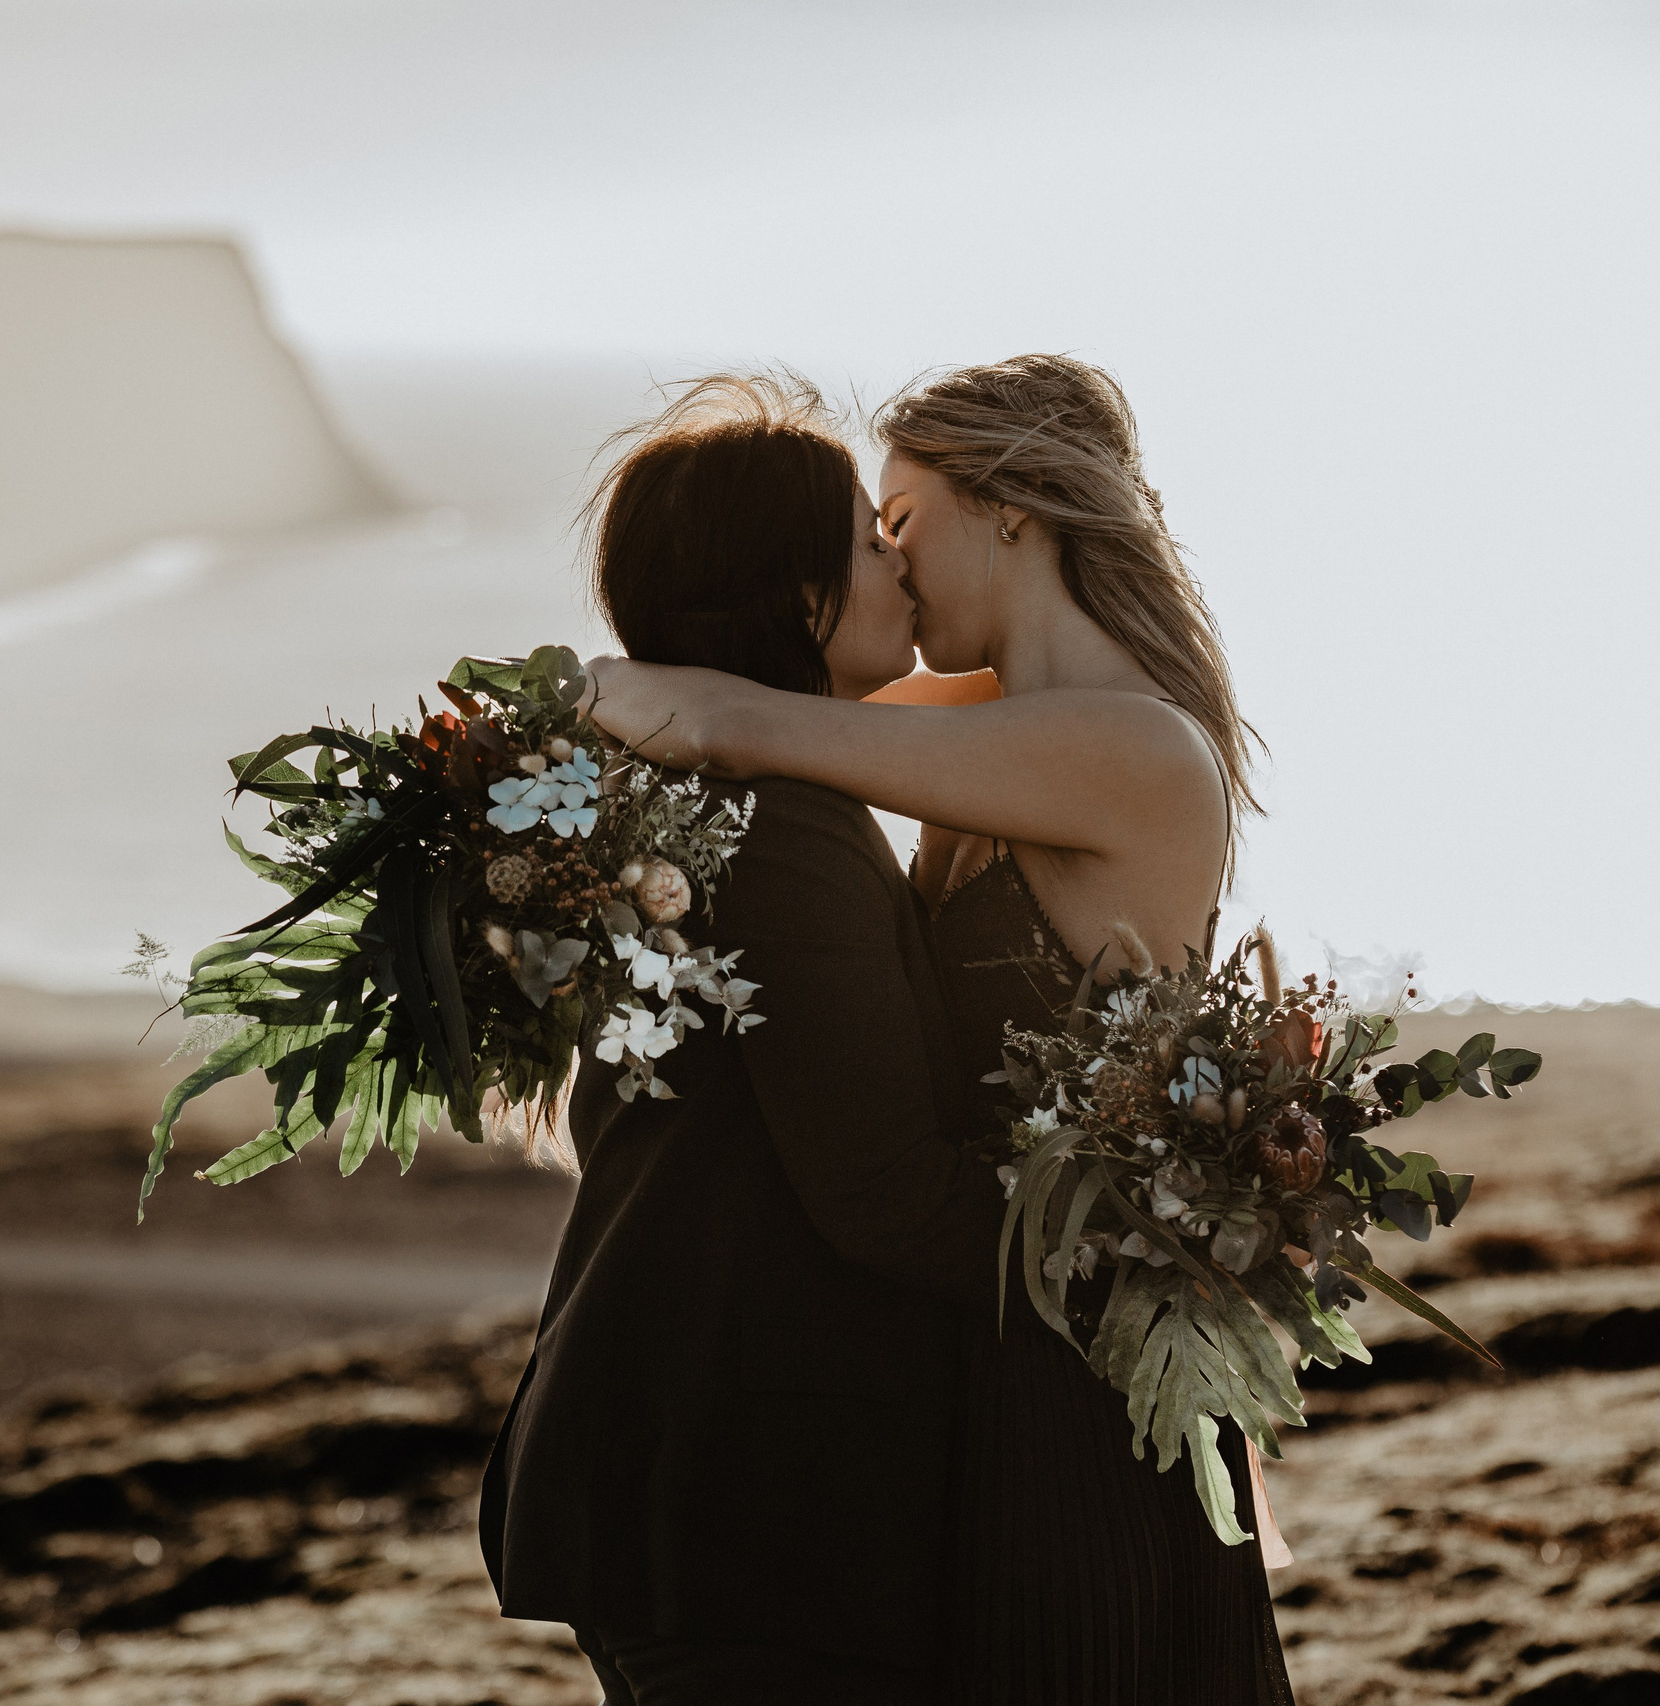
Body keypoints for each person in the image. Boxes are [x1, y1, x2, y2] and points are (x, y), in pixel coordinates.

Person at [583, 353, 1296, 1703]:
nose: (893, 568)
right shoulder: (994, 725)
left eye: (900, 522)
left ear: (1015, 509)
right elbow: (779, 686)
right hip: (989, 1350)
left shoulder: (1131, 746)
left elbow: (744, 716)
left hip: (1070, 1362)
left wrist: (573, 701)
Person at [477, 373, 1009, 1706]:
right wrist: (1119, 1268)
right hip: (743, 1499)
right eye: (863, 536)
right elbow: (885, 1193)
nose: (895, 557)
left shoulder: (712, 799)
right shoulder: (778, 837)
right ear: (799, 598)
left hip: (695, 1481)